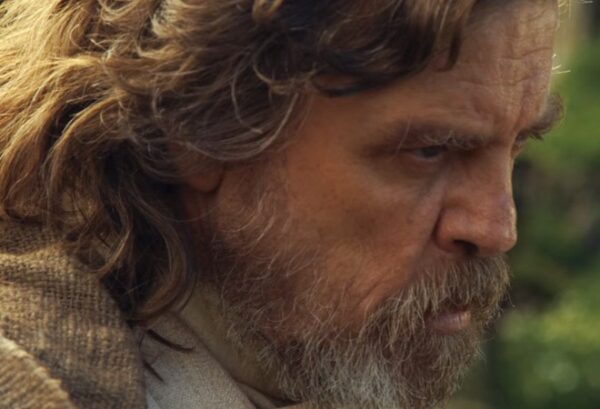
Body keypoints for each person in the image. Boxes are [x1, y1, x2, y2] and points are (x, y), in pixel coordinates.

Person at [0, 0, 564, 408]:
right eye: (428, 150)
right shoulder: (36, 378)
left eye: (519, 143)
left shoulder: (280, 362)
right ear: (201, 131)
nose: (496, 227)